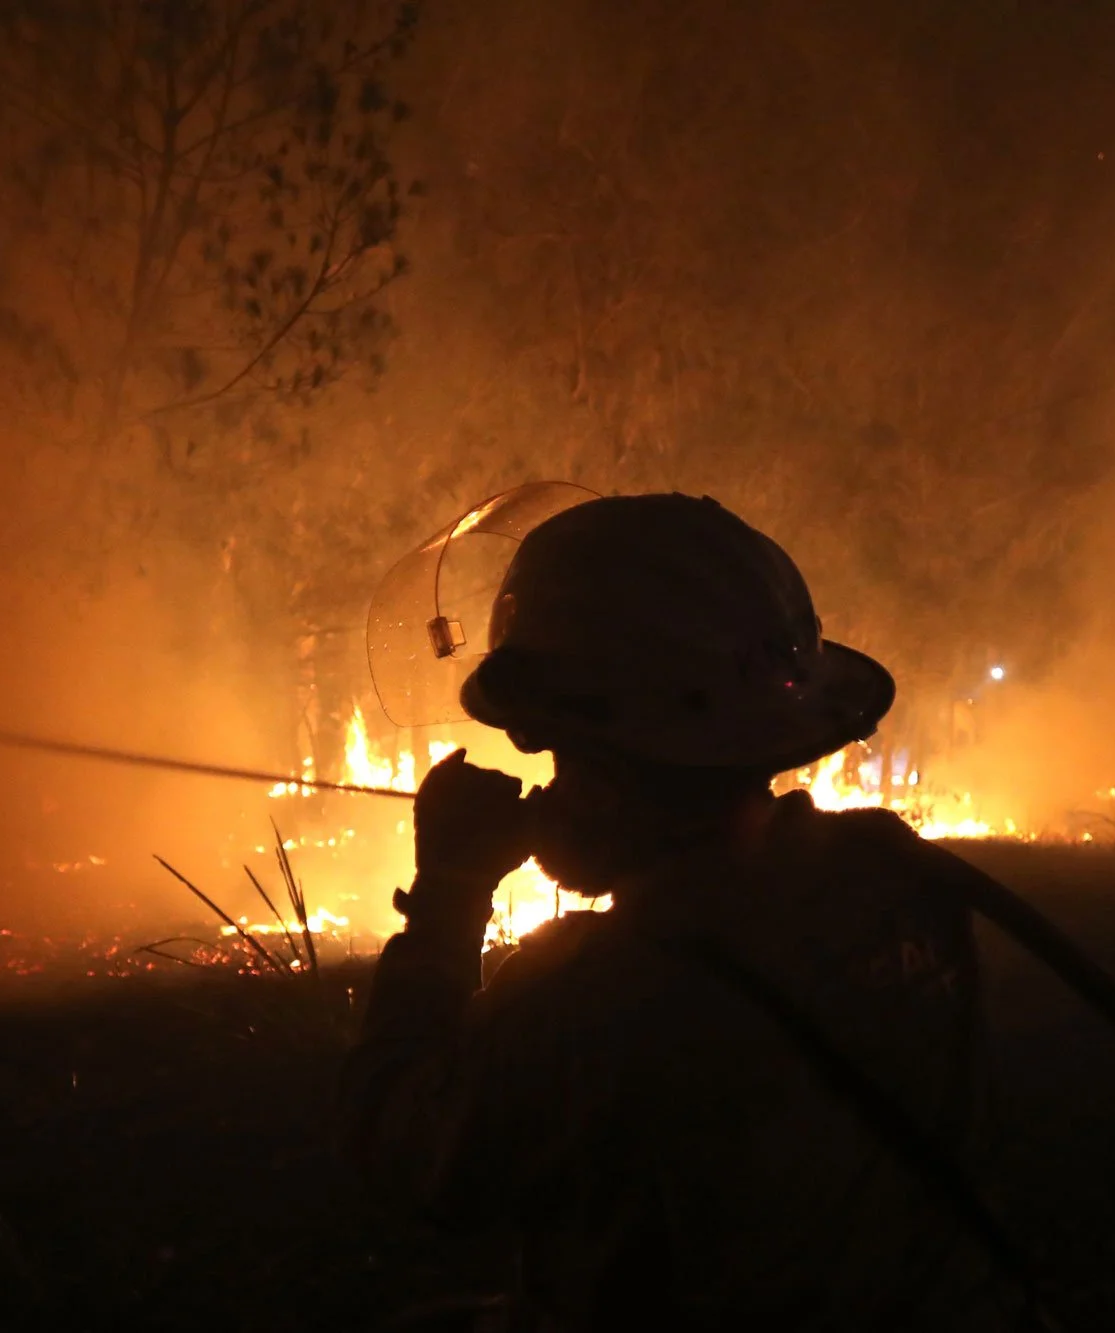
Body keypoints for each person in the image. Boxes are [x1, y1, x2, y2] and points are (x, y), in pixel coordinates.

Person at [340, 493, 1033, 1331]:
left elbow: (413, 1153)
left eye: (557, 748)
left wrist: (449, 898)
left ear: (617, 750)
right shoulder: (895, 879)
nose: (548, 780)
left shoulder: (593, 994)